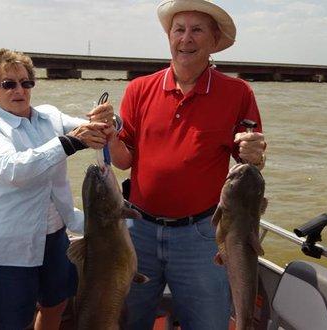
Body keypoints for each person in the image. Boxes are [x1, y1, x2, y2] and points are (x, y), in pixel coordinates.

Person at [100, 1, 267, 329]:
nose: (185, 39)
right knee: (129, 321)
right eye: (179, 30)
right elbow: (123, 161)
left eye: (197, 30)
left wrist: (256, 152)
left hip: (202, 236)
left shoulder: (238, 93)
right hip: (139, 232)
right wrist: (109, 136)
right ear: (169, 37)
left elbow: (250, 166)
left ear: (214, 40)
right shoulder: (138, 89)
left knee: (208, 323)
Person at [0, 48, 113, 330]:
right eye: (8, 84)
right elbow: (12, 169)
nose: (19, 90)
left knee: (56, 302)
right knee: (10, 322)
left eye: (26, 82)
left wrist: (109, 122)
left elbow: (91, 128)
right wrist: (70, 143)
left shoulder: (50, 116)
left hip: (55, 235)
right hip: (9, 245)